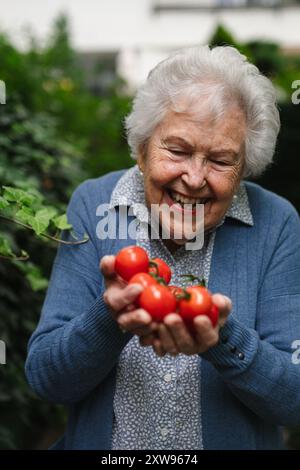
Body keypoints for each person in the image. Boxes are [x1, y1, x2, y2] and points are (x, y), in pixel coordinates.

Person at [25, 45, 300, 450]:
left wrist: (222, 338)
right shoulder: (93, 204)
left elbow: (293, 400)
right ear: (141, 149)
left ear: (244, 170)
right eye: (177, 150)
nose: (193, 177)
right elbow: (46, 378)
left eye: (221, 160)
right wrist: (110, 316)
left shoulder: (276, 223)